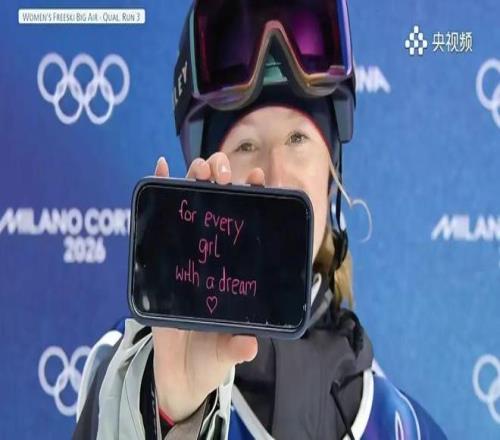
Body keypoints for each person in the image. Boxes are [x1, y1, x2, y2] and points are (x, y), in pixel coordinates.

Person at [74, 1, 446, 439]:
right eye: (246, 146)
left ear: (331, 176)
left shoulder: (400, 423)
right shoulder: (132, 365)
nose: (275, 175)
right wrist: (169, 411)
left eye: (297, 138)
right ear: (211, 182)